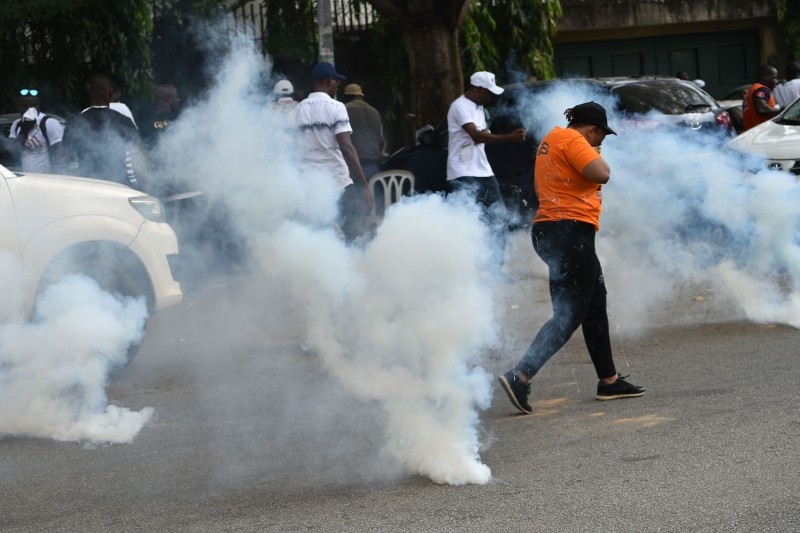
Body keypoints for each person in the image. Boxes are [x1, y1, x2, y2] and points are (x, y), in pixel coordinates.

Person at [497, 101, 645, 414]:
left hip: (556, 231)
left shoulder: (552, 139)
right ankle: (520, 375)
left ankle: (609, 380)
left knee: (594, 304)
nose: (600, 142)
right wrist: (597, 154)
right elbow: (602, 174)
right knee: (569, 313)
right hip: (568, 233)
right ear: (593, 129)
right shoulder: (574, 141)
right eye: (601, 136)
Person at [446, 71, 526, 261]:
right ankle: (467, 266)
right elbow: (477, 136)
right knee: (468, 220)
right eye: (488, 93)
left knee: (498, 217)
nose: (491, 98)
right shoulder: (459, 106)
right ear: (478, 89)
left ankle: (495, 267)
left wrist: (486, 134)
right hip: (462, 171)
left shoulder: (479, 108)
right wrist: (510, 137)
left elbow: (483, 133)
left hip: (483, 170)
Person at [295, 62, 374, 241]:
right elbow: (346, 147)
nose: (338, 85)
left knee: (318, 236)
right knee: (355, 234)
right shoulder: (336, 107)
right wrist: (364, 185)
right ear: (329, 81)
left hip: (310, 185)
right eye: (337, 81)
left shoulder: (298, 109)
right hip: (337, 183)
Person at [61, 74, 146, 190]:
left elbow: (63, 161)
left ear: (89, 92)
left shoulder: (75, 124)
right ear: (111, 93)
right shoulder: (124, 121)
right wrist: (146, 186)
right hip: (120, 189)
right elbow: (138, 158)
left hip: (89, 190)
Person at [7, 88, 64, 173]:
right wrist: (24, 131)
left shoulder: (49, 123)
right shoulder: (16, 125)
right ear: (18, 106)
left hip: (46, 179)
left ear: (39, 106)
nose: (30, 109)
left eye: (34, 106)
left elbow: (61, 156)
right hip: (24, 179)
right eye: (25, 106)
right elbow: (9, 154)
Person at [343, 83, 385, 179]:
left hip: (353, 161)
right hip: (373, 161)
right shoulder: (375, 112)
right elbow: (381, 141)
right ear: (361, 96)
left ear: (346, 96)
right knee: (372, 190)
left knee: (354, 192)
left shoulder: (344, 109)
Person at [139, 84, 181, 149]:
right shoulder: (179, 120)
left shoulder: (145, 124)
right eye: (176, 96)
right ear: (167, 99)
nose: (178, 100)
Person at [742, 64, 781, 131]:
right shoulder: (761, 89)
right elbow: (762, 109)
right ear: (766, 76)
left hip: (751, 133)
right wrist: (782, 111)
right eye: (774, 78)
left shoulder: (752, 88)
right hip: (760, 133)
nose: (776, 81)